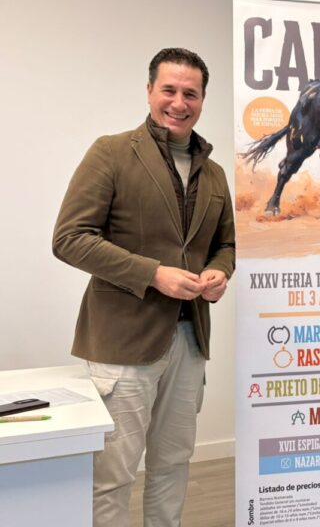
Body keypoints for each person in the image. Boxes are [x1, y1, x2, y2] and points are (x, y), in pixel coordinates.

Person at [53, 47, 235, 527]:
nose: (179, 102)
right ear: (150, 90)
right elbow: (69, 239)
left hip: (190, 340)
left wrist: (219, 274)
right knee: (112, 476)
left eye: (190, 93)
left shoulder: (214, 173)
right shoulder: (110, 151)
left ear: (202, 100)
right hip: (122, 345)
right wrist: (153, 273)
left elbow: (226, 246)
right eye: (169, 90)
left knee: (173, 466)